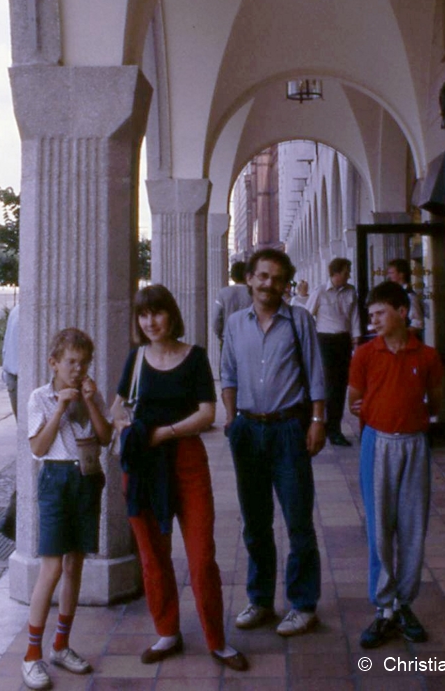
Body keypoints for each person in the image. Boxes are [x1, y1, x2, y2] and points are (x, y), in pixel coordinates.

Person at [112, 284, 248, 672]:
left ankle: (216, 641)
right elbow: (117, 409)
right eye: (143, 315)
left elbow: (208, 413)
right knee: (153, 557)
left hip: (186, 459)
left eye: (157, 312)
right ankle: (167, 632)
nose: (150, 321)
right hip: (142, 467)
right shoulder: (136, 359)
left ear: (172, 314)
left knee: (202, 557)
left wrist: (164, 432)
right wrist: (123, 426)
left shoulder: (195, 357)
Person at [221, 247, 326, 637]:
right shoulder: (234, 323)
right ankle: (260, 600)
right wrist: (231, 418)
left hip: (288, 430)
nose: (269, 284)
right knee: (256, 522)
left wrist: (317, 421)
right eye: (262, 276)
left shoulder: (299, 321)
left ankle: (302, 604)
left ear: (285, 284)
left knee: (298, 520)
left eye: (277, 278)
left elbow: (316, 375)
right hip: (247, 430)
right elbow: (228, 372)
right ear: (249, 279)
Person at [348, 281, 443, 649]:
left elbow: (435, 401)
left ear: (402, 312)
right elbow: (356, 399)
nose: (373, 321)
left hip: (414, 445)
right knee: (379, 527)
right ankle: (383, 607)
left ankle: (404, 603)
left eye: (380, 313)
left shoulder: (427, 356)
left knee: (412, 524)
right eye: (370, 316)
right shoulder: (365, 354)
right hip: (378, 444)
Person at [21, 327, 112, 689]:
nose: (78, 369)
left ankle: (61, 644)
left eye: (84, 362)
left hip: (86, 478)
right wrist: (59, 408)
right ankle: (31, 654)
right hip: (56, 480)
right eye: (71, 362)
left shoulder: (92, 393)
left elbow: (104, 438)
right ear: (54, 363)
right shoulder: (39, 398)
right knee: (52, 567)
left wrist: (89, 401)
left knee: (75, 563)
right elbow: (38, 448)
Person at [308, 258, 360, 446]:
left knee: (341, 386)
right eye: (346, 272)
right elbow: (308, 314)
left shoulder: (351, 291)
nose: (349, 276)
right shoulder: (320, 291)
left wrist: (356, 339)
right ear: (335, 273)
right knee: (330, 384)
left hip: (343, 340)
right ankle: (328, 427)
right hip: (325, 340)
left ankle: (334, 426)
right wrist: (313, 338)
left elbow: (354, 316)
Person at [0, 301, 19, 539]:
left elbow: (5, 351)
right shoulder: (24, 312)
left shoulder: (16, 311)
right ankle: (14, 516)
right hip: (20, 380)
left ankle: (14, 516)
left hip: (15, 380)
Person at [211, 260, 249, 350]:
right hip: (249, 339)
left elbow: (216, 318)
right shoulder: (254, 294)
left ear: (232, 276)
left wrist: (219, 334)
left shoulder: (223, 293)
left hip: (228, 339)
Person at [386, 259, 424, 336]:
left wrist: (400, 336)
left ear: (401, 274)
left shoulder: (409, 296)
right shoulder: (395, 293)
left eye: (392, 273)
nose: (389, 276)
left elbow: (417, 323)